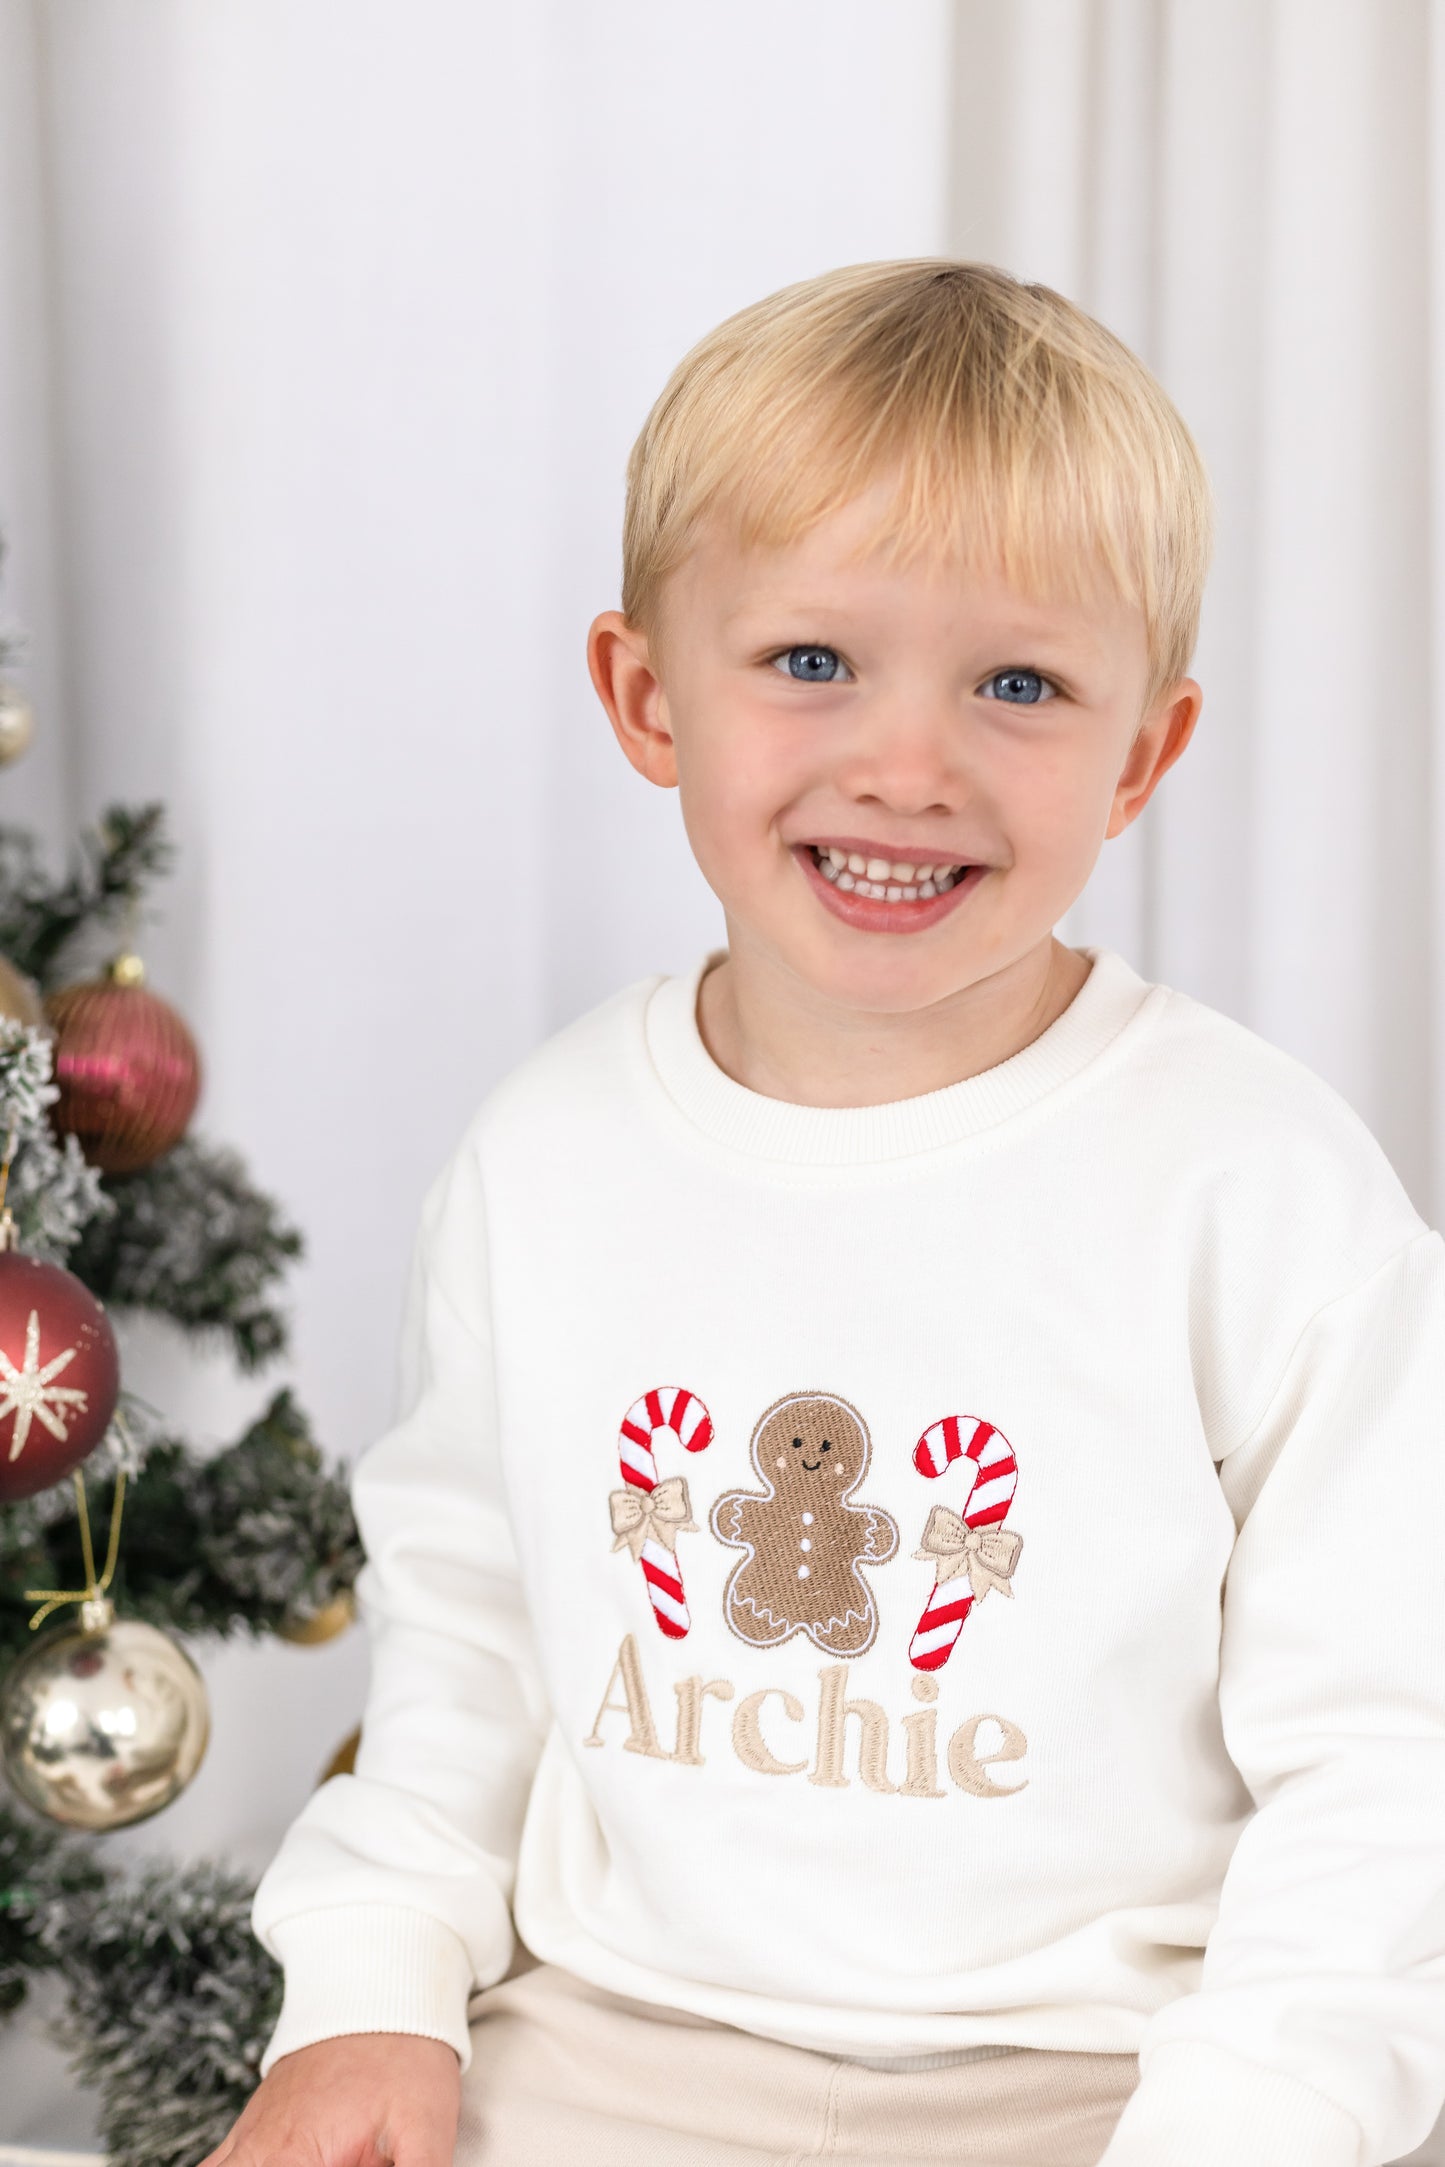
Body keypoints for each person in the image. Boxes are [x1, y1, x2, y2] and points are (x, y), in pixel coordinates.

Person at [199, 259, 1445, 2167]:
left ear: (1142, 753)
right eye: (808, 661)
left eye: (1018, 684)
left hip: (1113, 2075)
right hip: (618, 2036)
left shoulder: (1256, 1190)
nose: (905, 765)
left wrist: (1249, 2119)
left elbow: (1386, 1757)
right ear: (645, 694)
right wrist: (373, 1990)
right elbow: (470, 1653)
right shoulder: (548, 1163)